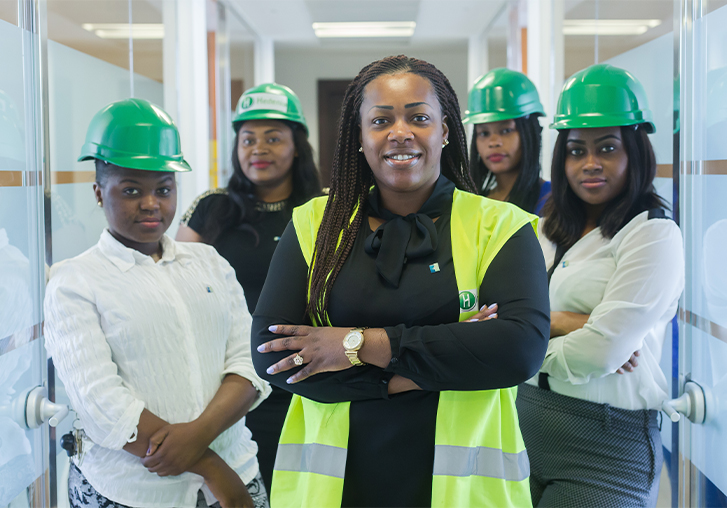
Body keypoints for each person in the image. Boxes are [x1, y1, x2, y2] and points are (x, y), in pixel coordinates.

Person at [250, 55, 550, 508]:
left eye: (419, 118)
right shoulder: (314, 224)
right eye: (381, 120)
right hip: (332, 491)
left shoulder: (500, 226)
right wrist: (438, 362)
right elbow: (271, 353)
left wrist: (351, 344)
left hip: (464, 492)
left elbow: (518, 349)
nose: (400, 132)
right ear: (360, 137)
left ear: (445, 131)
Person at [44, 98, 271, 508]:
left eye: (164, 189)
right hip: (132, 491)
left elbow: (248, 361)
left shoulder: (209, 262)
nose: (151, 203)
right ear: (99, 192)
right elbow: (101, 403)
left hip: (237, 470)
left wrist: (199, 441)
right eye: (131, 190)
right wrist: (210, 466)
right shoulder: (74, 282)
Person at [515, 64, 685, 507]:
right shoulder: (546, 230)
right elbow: (493, 313)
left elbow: (602, 351)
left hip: (605, 448)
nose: (590, 163)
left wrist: (517, 346)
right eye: (576, 150)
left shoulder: (652, 234)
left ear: (635, 151)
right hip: (522, 430)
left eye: (607, 148)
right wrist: (565, 322)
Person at [176, 83, 320, 489]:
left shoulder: (325, 208)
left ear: (297, 146)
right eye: (248, 139)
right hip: (227, 384)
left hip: (305, 380)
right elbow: (176, 287)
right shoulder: (211, 208)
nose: (258, 149)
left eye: (273, 138)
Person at [463, 68, 550, 215]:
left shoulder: (552, 201)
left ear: (530, 133)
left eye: (506, 130)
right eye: (484, 133)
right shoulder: (475, 204)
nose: (493, 142)